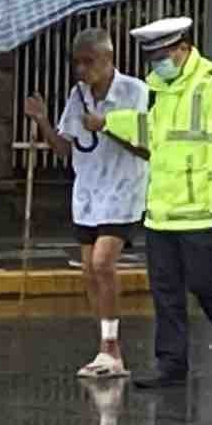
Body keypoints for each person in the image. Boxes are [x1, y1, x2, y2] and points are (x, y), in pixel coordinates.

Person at [87, 16, 212, 388]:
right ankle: (171, 365)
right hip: (163, 210)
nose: (156, 64)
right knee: (165, 292)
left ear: (183, 48)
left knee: (203, 283)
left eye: (162, 55)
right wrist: (109, 122)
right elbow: (153, 133)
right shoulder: (161, 88)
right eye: (152, 58)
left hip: (202, 209)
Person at [24, 27, 149, 378]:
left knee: (103, 262)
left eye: (89, 62)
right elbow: (65, 147)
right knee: (89, 271)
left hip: (123, 189)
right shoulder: (77, 95)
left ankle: (113, 349)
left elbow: (145, 146)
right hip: (89, 192)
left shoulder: (134, 92)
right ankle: (104, 346)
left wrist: (106, 125)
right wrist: (42, 121)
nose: (82, 70)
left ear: (108, 59)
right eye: (77, 63)